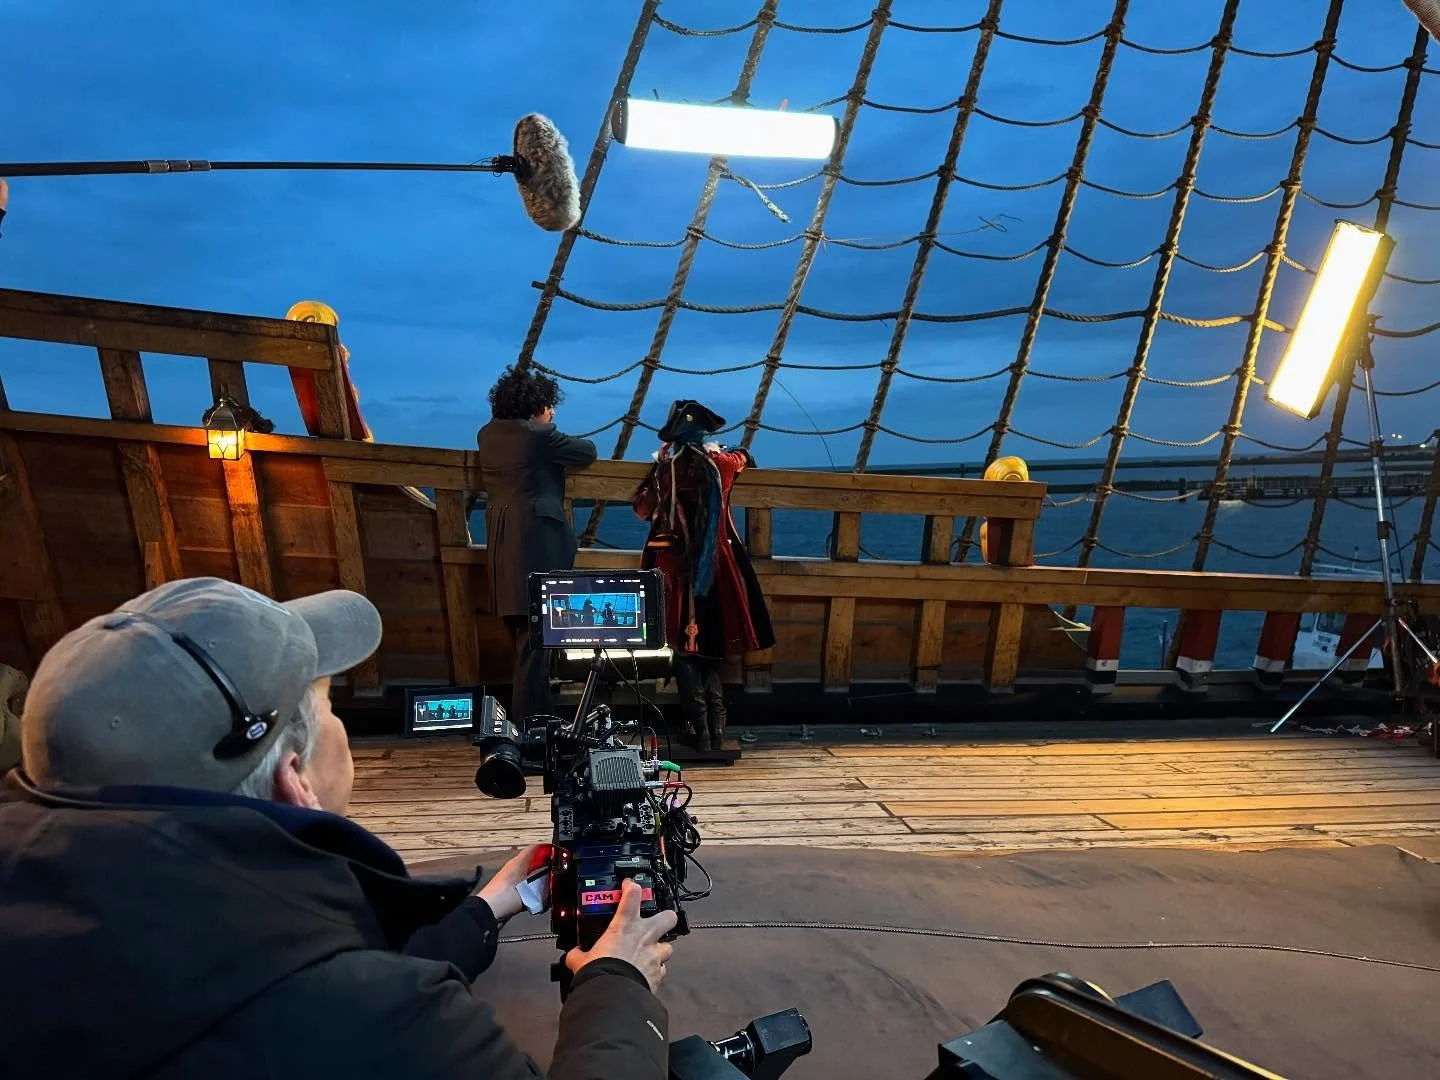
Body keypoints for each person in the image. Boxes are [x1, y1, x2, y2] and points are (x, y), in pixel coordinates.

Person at [0, 576, 676, 1079]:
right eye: (327, 706)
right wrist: (616, 985)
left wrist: (479, 912)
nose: (340, 726)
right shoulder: (386, 1024)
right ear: (293, 778)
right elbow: (337, 1010)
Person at [633, 401, 776, 751]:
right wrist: (737, 452)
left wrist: (658, 466)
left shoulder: (665, 468)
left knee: (684, 649)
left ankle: (699, 729)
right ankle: (717, 730)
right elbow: (742, 458)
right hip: (718, 565)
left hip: (672, 566)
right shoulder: (723, 464)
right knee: (711, 643)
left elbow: (642, 509)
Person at [478, 366, 597, 726]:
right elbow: (587, 451)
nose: (552, 411)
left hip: (502, 549)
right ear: (534, 406)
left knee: (525, 639)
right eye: (548, 405)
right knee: (536, 641)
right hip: (537, 547)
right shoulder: (538, 437)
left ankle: (531, 721)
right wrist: (546, 426)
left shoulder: (487, 434)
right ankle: (533, 728)